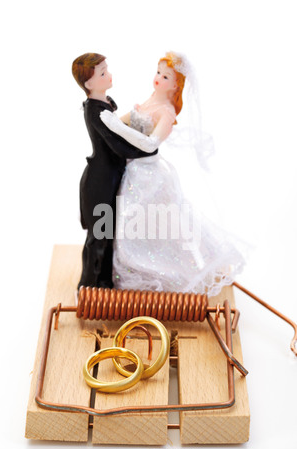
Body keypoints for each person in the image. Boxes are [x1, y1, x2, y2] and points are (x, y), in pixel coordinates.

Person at [100, 52, 246, 297]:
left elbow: (150, 143)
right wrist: (110, 120)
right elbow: (127, 121)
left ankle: (157, 269)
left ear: (176, 85)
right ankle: (132, 266)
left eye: (165, 76)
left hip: (149, 174)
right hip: (132, 170)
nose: (158, 78)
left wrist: (116, 127)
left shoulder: (167, 112)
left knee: (147, 220)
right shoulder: (149, 100)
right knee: (131, 222)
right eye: (158, 72)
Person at [72, 53, 158, 291]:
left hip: (107, 180)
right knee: (98, 238)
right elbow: (118, 146)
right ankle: (88, 288)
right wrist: (148, 150)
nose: (108, 75)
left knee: (106, 237)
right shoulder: (98, 112)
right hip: (99, 185)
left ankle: (105, 283)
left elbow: (120, 130)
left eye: (106, 69)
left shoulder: (104, 105)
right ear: (89, 84)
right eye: (102, 73)